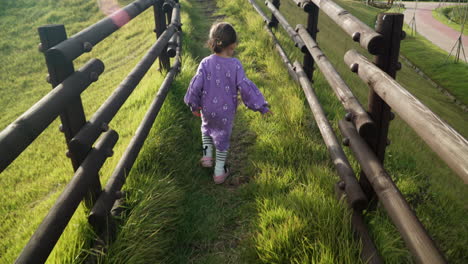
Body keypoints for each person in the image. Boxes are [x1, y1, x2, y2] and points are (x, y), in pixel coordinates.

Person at [184, 22, 272, 184]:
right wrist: (261, 106)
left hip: (207, 108)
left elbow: (195, 85)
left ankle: (207, 157)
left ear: (212, 43)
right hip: (226, 112)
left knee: (206, 129)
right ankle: (219, 173)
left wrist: (193, 105)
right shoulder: (235, 65)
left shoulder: (205, 62)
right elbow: (245, 87)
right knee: (222, 138)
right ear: (233, 45)